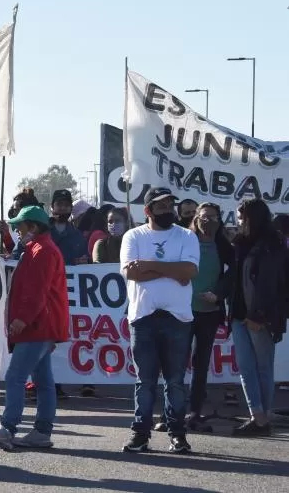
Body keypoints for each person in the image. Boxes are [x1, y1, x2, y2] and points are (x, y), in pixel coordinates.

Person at [0, 205, 70, 451]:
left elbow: (37, 292)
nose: (17, 231)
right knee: (43, 380)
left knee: (15, 376)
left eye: (19, 226)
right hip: (43, 324)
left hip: (37, 325)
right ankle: (41, 431)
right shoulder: (39, 249)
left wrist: (22, 319)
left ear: (33, 226)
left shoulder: (42, 251)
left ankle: (8, 427)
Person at [120, 187, 198, 454]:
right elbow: (132, 273)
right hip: (143, 318)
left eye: (170, 205)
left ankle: (177, 434)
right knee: (145, 381)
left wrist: (150, 266)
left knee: (175, 381)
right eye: (161, 206)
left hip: (177, 318)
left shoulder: (187, 235)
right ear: (148, 210)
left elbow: (189, 271)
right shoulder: (133, 236)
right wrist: (172, 271)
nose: (168, 210)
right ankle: (140, 434)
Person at [217, 198, 289, 437]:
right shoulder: (240, 243)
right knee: (246, 368)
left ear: (252, 217)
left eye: (241, 216)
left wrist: (257, 314)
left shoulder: (273, 244)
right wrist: (217, 294)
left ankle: (262, 418)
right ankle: (257, 415)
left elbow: (270, 284)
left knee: (263, 368)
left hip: (260, 317)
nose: (237, 221)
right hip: (238, 315)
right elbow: (235, 278)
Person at [180, 202, 233, 433]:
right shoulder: (185, 240)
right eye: (203, 217)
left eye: (213, 217)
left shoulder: (224, 246)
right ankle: (174, 410)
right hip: (183, 311)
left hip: (209, 313)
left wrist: (218, 294)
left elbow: (234, 274)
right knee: (177, 363)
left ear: (220, 220)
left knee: (201, 365)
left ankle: (195, 410)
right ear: (196, 218)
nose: (208, 221)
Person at [49, 189, 88, 265]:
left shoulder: (78, 235)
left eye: (67, 205)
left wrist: (84, 260)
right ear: (52, 206)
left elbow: (85, 258)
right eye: (59, 204)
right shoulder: (40, 231)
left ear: (71, 208)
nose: (63, 208)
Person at [0, 188, 40, 257]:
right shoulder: (22, 233)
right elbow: (16, 253)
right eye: (14, 210)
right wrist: (6, 235)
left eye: (17, 210)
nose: (14, 214)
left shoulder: (40, 238)